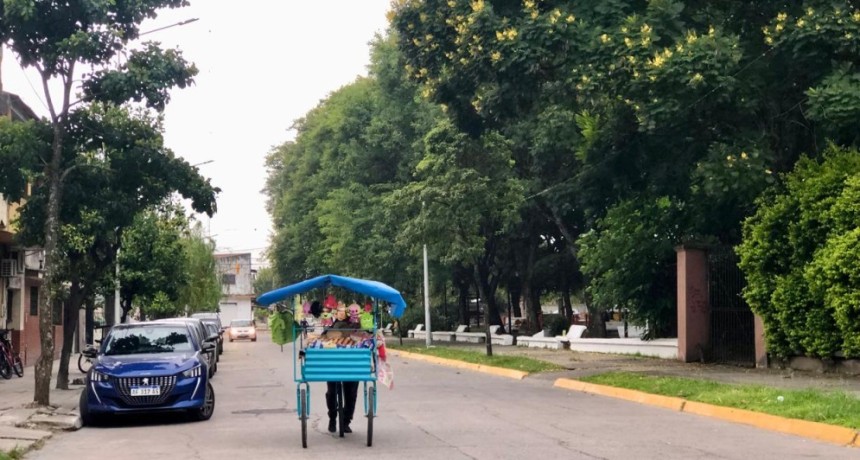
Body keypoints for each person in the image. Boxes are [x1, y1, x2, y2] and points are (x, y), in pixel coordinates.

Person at [323, 304, 359, 434]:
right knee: (331, 393)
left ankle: (346, 421)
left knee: (351, 394)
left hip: (351, 365)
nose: (342, 313)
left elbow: (364, 337)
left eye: (344, 311)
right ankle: (332, 417)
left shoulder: (355, 325)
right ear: (335, 312)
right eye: (339, 310)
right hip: (333, 365)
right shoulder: (329, 326)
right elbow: (322, 340)